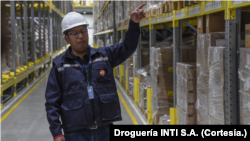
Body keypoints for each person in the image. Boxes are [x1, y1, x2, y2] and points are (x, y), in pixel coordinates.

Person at [45, 3, 146, 141]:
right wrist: (57, 133)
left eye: (83, 31)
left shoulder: (104, 56)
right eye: (74, 33)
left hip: (104, 130)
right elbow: (52, 103)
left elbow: (128, 47)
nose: (80, 36)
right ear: (66, 38)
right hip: (76, 134)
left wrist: (134, 24)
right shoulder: (60, 67)